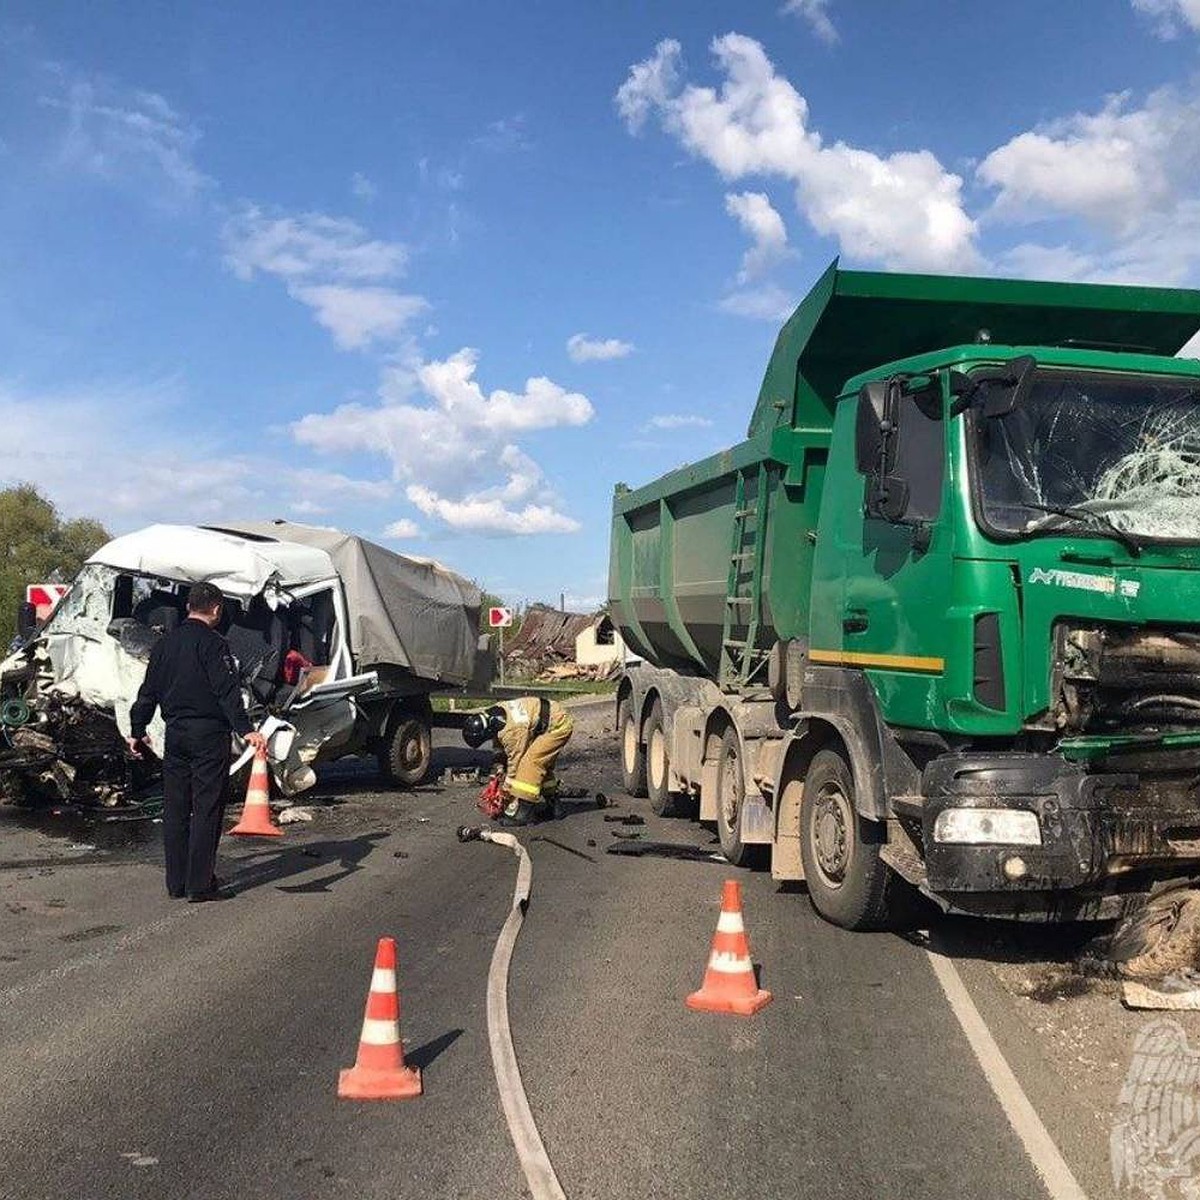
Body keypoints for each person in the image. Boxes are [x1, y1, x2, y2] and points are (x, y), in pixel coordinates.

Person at [126, 582, 267, 901]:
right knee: (206, 806)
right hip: (208, 735)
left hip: (175, 735)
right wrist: (246, 729)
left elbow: (148, 691)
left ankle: (176, 883)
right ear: (216, 609)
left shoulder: (164, 645)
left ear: (189, 606)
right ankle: (200, 883)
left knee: (176, 807)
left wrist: (138, 730)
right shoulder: (215, 645)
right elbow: (226, 692)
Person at [462, 696, 573, 825]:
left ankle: (524, 812)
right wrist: (498, 764)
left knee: (530, 764)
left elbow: (515, 764)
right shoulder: (494, 716)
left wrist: (505, 791)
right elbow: (499, 741)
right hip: (546, 719)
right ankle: (555, 807)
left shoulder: (512, 732)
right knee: (542, 766)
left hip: (557, 726)